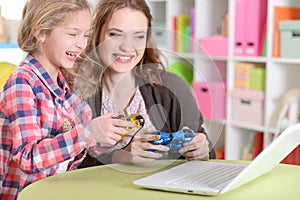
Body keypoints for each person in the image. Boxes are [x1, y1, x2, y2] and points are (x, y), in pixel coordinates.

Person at [0, 0, 137, 199]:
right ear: (41, 32)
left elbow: (81, 147)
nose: (81, 44)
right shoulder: (23, 83)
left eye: (86, 35)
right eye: (73, 34)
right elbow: (28, 158)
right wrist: (88, 132)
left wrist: (113, 132)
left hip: (57, 191)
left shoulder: (64, 85)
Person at [70, 0, 216, 167]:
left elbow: (208, 154)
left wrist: (202, 150)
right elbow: (67, 165)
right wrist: (121, 156)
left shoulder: (171, 88)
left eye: (138, 36)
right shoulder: (74, 91)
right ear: (97, 36)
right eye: (115, 34)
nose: (126, 47)